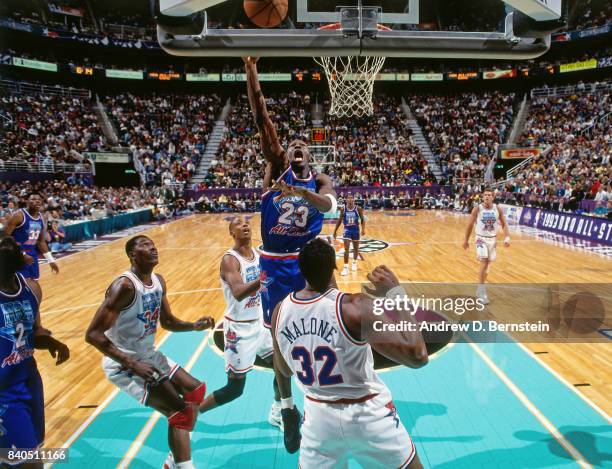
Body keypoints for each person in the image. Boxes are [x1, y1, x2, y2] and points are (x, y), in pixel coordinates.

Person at [243, 56, 338, 452]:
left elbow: (329, 205)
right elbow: (262, 116)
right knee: (280, 342)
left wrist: (299, 193)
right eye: (291, 144)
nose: (296, 147)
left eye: (302, 144)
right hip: (276, 265)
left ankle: (327, 397)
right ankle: (286, 408)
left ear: (311, 153)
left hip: (310, 261)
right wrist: (252, 72)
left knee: (324, 331)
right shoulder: (276, 164)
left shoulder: (319, 179)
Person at [271, 239, 428, 468]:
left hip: (318, 417)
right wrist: (396, 293)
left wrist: (286, 408)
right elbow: (418, 356)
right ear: (334, 267)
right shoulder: (354, 307)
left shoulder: (280, 311)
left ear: (301, 270)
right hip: (367, 413)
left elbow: (283, 368)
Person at [85, 235, 214, 469]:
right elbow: (93, 334)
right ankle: (181, 464)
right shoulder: (124, 286)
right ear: (132, 255)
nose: (153, 247)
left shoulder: (158, 281)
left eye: (153, 244)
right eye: (144, 245)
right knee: (180, 413)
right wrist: (132, 364)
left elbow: (167, 322)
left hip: (149, 355)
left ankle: (175, 458)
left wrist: (193, 326)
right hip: (123, 362)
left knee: (196, 390)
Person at [199, 217, 282, 428]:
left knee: (283, 367)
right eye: (238, 224)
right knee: (234, 390)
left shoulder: (259, 254)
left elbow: (267, 286)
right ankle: (192, 413)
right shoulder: (230, 260)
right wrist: (265, 277)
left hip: (260, 324)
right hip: (239, 329)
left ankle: (278, 410)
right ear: (231, 233)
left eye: (246, 223)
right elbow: (238, 293)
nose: (244, 225)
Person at [0, 235, 70, 468]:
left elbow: (35, 331)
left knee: (28, 451)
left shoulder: (31, 288)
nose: (24, 252)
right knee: (29, 461)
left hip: (30, 381)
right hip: (4, 393)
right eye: (16, 251)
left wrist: (50, 342)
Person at [462, 187, 511, 304]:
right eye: (485, 195)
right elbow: (469, 225)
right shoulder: (477, 209)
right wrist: (466, 240)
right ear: (483, 197)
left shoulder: (497, 209)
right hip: (480, 238)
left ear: (493, 197)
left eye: (489, 195)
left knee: (488, 265)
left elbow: (504, 224)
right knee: (484, 261)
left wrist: (507, 237)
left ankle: (480, 288)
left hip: (492, 240)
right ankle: (482, 291)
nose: (487, 197)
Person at [3, 194, 59, 280]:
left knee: (34, 283)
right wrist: (22, 254)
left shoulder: (42, 217)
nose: (37, 201)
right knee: (21, 285)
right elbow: (5, 237)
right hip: (16, 255)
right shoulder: (18, 216)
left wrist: (51, 260)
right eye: (33, 199)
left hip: (32, 255)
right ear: (27, 202)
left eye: (39, 200)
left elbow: (41, 242)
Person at [333, 193, 366, 276]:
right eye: (349, 198)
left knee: (355, 249)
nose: (350, 199)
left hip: (356, 230)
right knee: (346, 249)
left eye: (352, 198)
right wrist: (335, 230)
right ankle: (345, 267)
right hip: (347, 230)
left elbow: (362, 220)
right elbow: (340, 220)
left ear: (354, 199)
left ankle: (354, 263)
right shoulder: (343, 209)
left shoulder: (358, 208)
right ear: (346, 199)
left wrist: (363, 229)